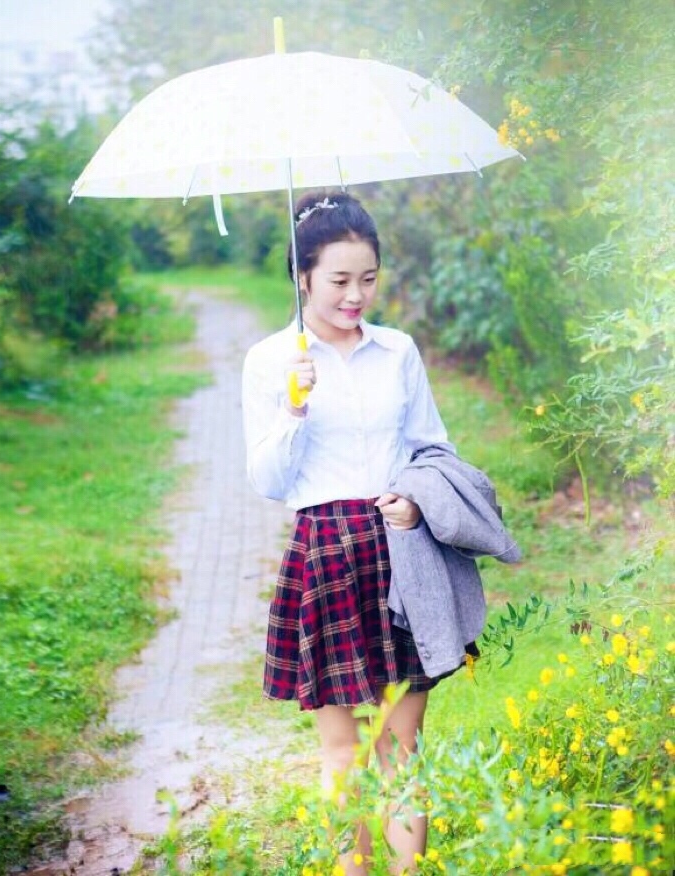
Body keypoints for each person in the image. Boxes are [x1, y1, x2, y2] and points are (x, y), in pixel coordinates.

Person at [241, 190, 450, 876]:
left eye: (368, 278)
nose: (355, 295)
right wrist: (294, 408)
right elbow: (267, 480)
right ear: (302, 276)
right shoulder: (271, 360)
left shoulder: (398, 352)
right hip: (325, 553)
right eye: (338, 280)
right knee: (342, 749)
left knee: (400, 746)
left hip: (400, 550)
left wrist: (414, 502)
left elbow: (432, 449)